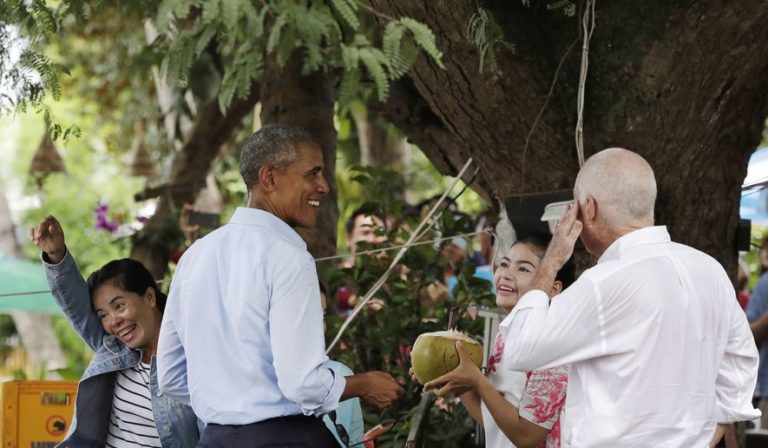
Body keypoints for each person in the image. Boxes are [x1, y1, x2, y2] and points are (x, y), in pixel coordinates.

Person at [157, 124, 403, 447]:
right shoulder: (288, 257)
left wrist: (230, 401)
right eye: (312, 174)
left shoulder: (195, 256)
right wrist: (364, 384)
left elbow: (171, 376)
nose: (324, 186)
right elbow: (302, 384)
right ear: (269, 178)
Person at [499, 148, 760, 447]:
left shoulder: (603, 281)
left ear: (589, 208)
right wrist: (714, 429)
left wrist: (551, 263)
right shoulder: (709, 270)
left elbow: (520, 350)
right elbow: (741, 358)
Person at [31, 215, 199, 448]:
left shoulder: (192, 358)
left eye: (119, 306)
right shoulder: (113, 348)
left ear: (149, 297)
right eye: (103, 315)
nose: (113, 321)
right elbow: (76, 306)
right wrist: (56, 255)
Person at [423, 234, 573, 448]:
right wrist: (457, 380)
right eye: (504, 264)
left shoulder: (553, 345)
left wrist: (477, 381)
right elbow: (495, 421)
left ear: (553, 288)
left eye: (523, 269)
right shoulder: (506, 333)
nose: (506, 274)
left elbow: (527, 437)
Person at [319, 282, 365, 447]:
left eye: (322, 315)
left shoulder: (343, 374)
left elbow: (355, 442)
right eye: (310, 315)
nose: (321, 326)